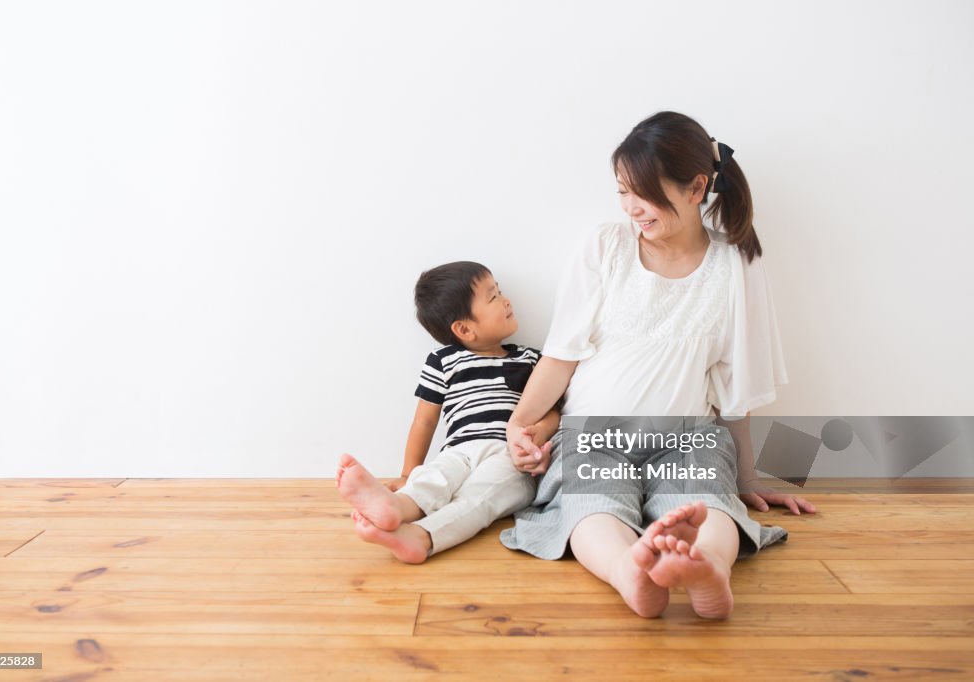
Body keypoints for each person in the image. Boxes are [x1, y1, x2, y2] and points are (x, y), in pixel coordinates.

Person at [502, 111, 817, 619]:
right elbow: (561, 354)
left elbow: (733, 388)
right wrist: (520, 427)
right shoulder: (606, 246)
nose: (631, 208)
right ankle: (629, 569)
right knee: (591, 506)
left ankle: (708, 566)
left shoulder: (736, 264)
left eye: (642, 193)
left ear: (696, 188)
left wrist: (748, 477)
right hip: (594, 435)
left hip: (689, 435)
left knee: (708, 501)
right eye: (622, 191)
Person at [336, 261, 560, 563]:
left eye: (500, 292)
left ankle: (423, 537)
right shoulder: (443, 361)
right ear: (464, 329)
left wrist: (538, 433)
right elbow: (424, 421)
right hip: (459, 450)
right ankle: (396, 507)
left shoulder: (531, 359)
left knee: (479, 497)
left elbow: (553, 411)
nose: (506, 300)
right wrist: (407, 472)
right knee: (434, 478)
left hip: (510, 456)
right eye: (493, 297)